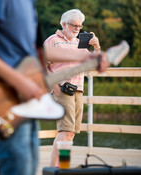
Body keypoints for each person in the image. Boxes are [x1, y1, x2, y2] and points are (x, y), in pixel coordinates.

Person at [0, 1, 108, 174]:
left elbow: (35, 55)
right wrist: (21, 82)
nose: (78, 28)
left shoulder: (29, 5)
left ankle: (57, 168)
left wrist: (86, 57)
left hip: (29, 105)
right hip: (7, 102)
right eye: (74, 25)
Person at [44, 9, 102, 167]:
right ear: (64, 24)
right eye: (74, 25)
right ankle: (54, 167)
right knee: (65, 131)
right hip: (62, 90)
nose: (77, 29)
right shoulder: (52, 41)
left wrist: (96, 46)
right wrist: (56, 87)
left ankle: (62, 166)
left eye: (80, 26)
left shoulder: (79, 43)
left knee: (71, 133)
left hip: (78, 89)